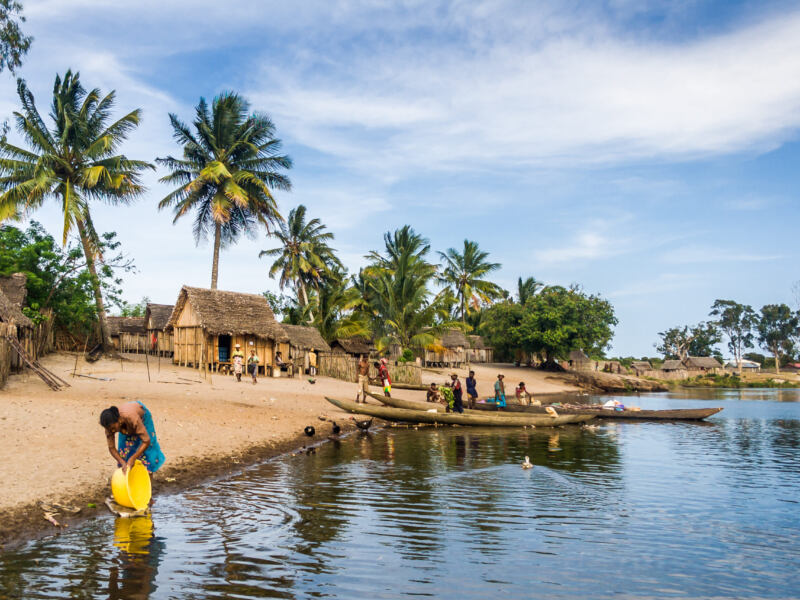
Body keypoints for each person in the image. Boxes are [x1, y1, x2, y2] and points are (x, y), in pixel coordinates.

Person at [100, 401, 165, 474]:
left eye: (113, 428)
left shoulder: (131, 417)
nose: (112, 431)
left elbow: (146, 441)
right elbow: (111, 447)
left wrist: (133, 458)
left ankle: (148, 478)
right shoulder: (109, 426)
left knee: (147, 453)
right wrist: (122, 462)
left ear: (119, 420)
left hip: (142, 419)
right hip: (125, 426)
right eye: (110, 429)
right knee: (125, 452)